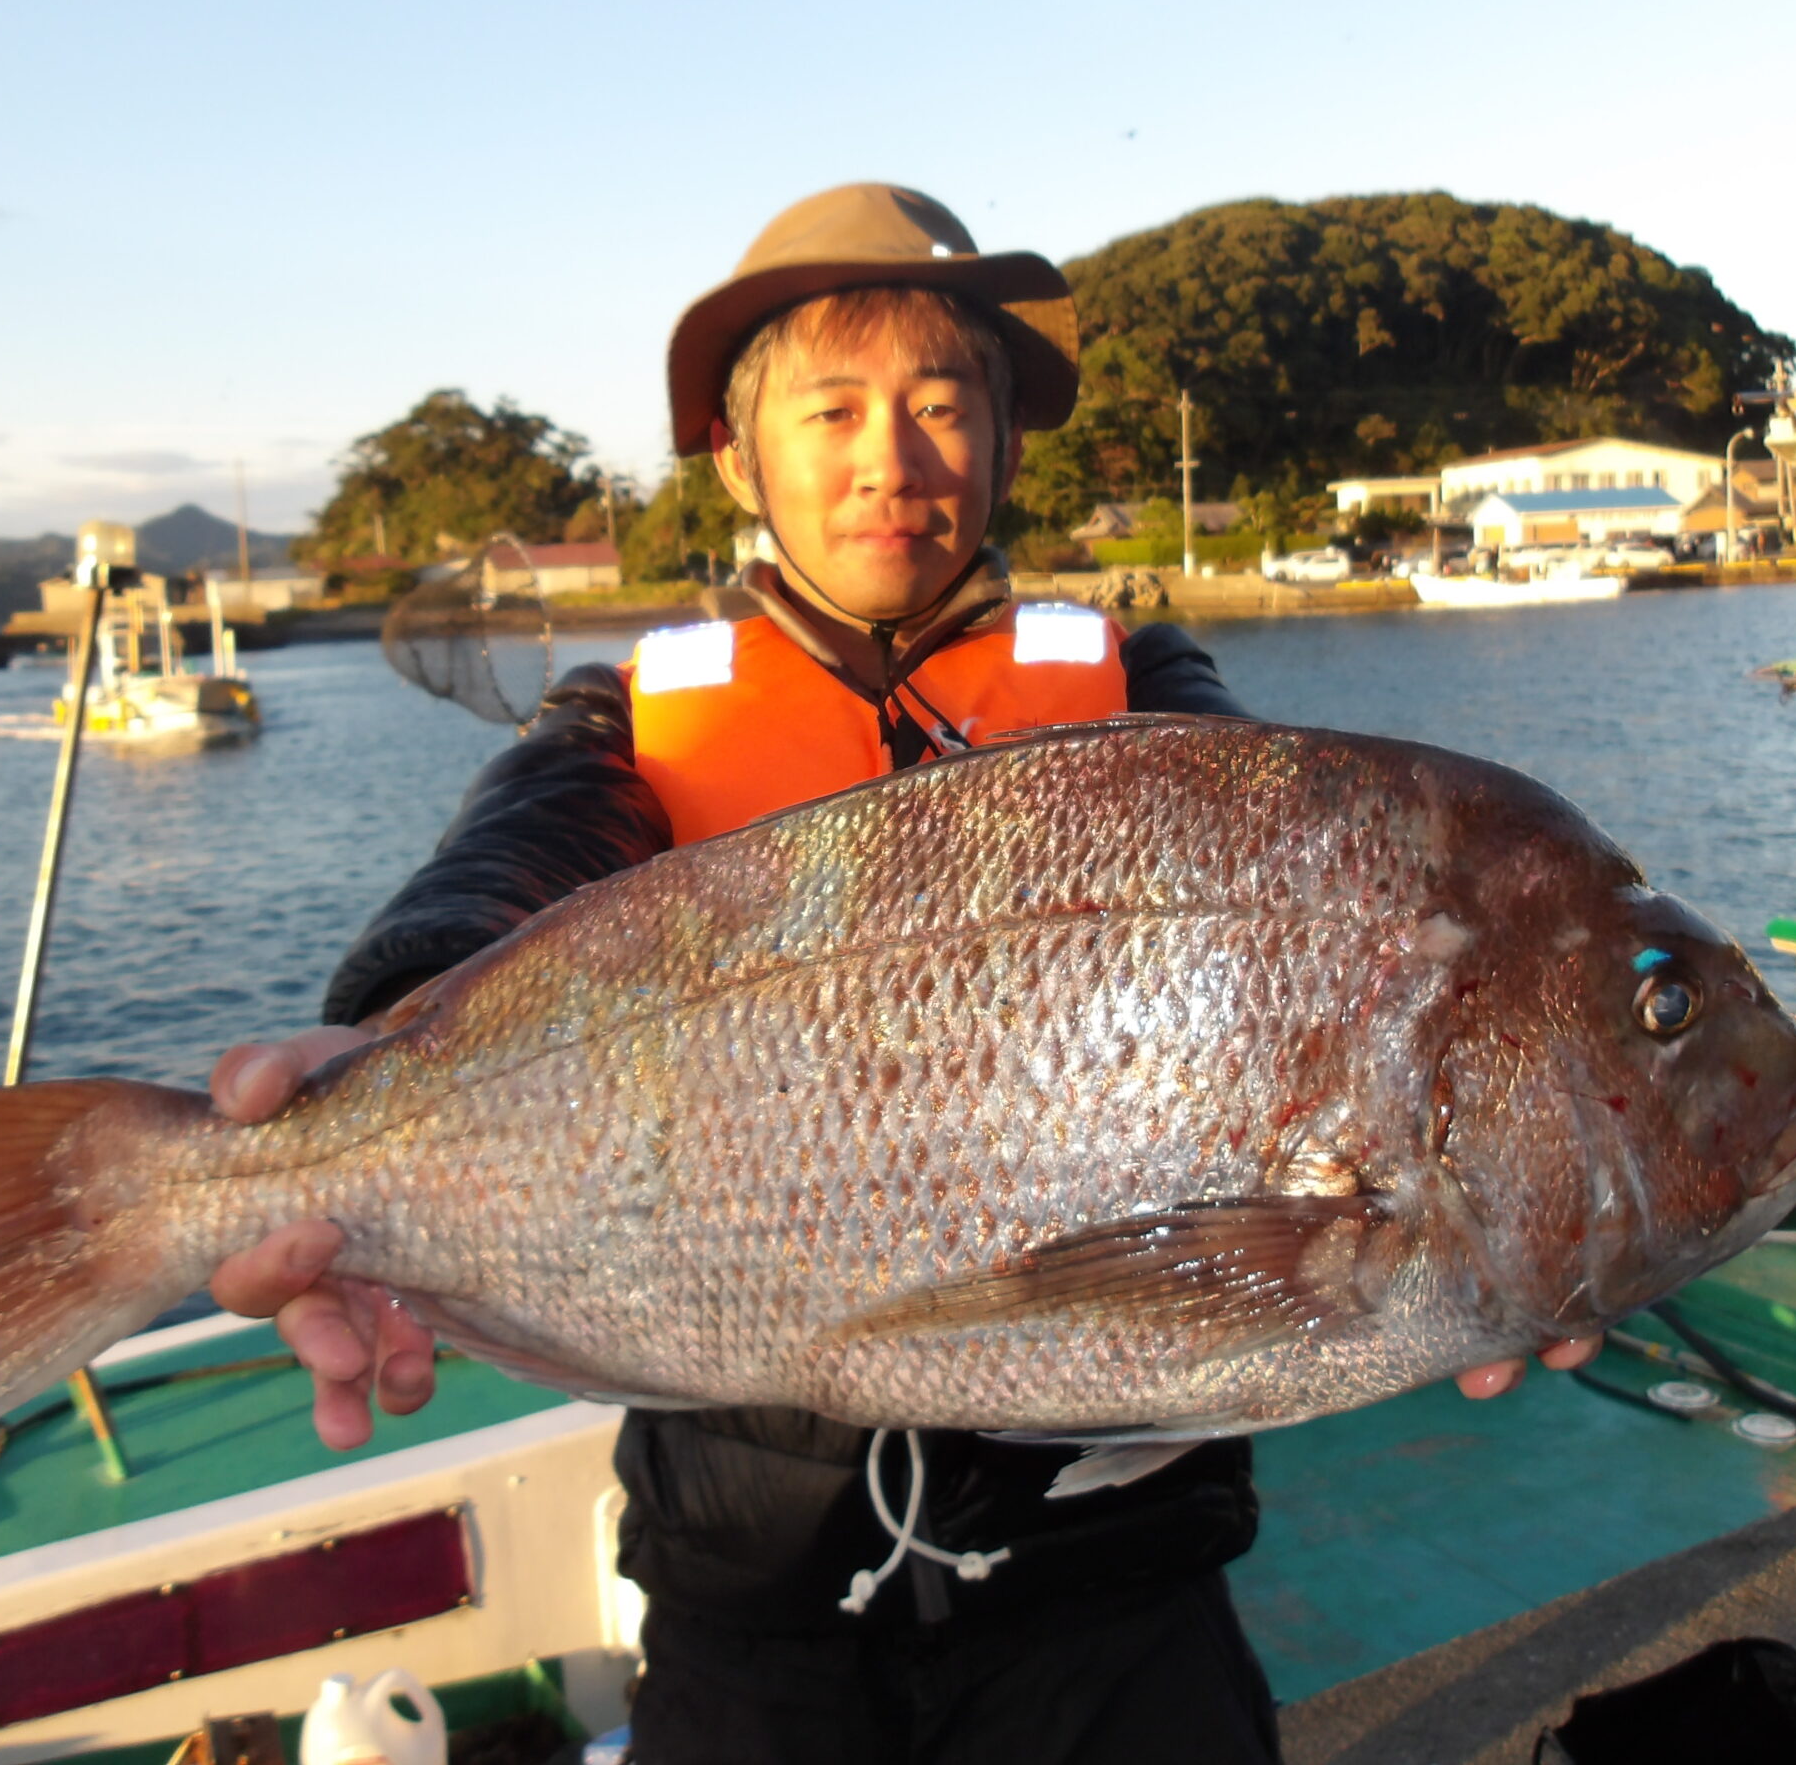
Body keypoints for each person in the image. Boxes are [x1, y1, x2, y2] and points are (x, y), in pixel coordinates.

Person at [203, 184, 1595, 1763]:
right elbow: (502, 880)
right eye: (835, 408)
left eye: (944, 407)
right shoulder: (633, 725)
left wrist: (1528, 1174)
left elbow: (1299, 873)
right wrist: (370, 1055)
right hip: (754, 1601)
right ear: (739, 455)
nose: (894, 458)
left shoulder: (1138, 691)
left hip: (1117, 1599)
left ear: (1004, 449)